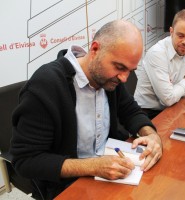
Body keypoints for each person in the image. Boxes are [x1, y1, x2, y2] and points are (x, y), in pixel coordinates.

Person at [10, 20, 162, 199]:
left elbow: (131, 111)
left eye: (130, 70)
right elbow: (25, 161)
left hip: (110, 175)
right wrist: (93, 166)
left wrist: (151, 134)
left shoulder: (110, 79)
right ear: (95, 49)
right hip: (67, 185)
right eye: (120, 67)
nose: (124, 78)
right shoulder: (46, 85)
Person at [134, 8, 185, 119]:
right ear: (171, 31)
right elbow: (168, 99)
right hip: (147, 113)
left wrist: (174, 91)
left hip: (173, 108)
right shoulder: (158, 53)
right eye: (181, 35)